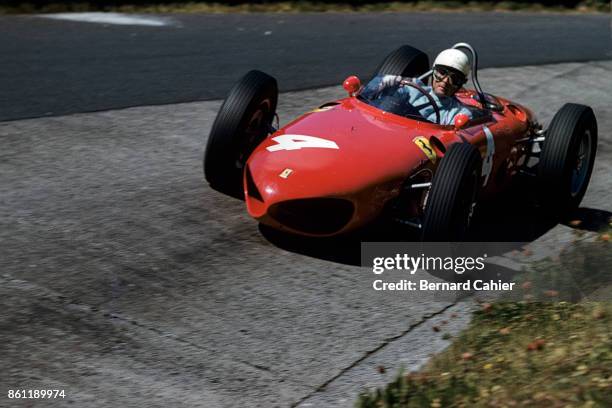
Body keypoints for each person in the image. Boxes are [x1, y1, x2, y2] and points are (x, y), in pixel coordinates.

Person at [363, 49, 474, 125]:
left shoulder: (458, 114)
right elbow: (374, 99)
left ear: (461, 83)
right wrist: (384, 82)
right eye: (441, 72)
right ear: (433, 71)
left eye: (454, 78)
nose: (445, 81)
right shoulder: (412, 88)